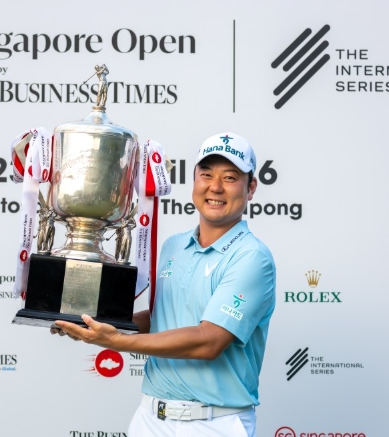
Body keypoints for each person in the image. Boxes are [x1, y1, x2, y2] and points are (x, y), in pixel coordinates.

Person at [53, 132, 276, 437]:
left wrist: (114, 341)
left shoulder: (252, 257)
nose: (215, 187)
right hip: (151, 418)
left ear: (251, 188)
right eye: (206, 174)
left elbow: (209, 341)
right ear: (194, 179)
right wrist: (92, 321)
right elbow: (162, 319)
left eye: (230, 177)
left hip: (213, 424)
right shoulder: (174, 246)